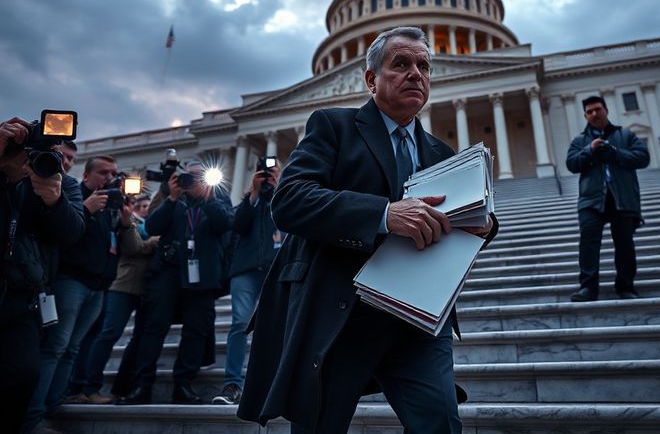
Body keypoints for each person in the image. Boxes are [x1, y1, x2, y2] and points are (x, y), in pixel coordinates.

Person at [237, 27, 498, 433]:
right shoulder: (333, 127)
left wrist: (484, 225)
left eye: (424, 66)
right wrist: (383, 215)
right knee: (320, 425)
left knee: (441, 422)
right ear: (371, 79)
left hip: (418, 318)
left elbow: (459, 223)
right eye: (402, 64)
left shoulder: (443, 155)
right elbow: (289, 200)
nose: (416, 73)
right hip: (344, 311)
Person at [25, 156, 139, 432]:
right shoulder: (75, 195)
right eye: (103, 172)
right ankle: (33, 415)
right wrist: (86, 209)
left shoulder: (114, 205)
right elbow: (64, 234)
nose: (110, 177)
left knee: (72, 348)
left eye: (114, 172)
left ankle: (54, 402)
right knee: (55, 346)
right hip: (71, 280)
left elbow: (128, 248)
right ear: (87, 176)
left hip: (99, 285)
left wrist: (125, 221)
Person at [116, 161, 233, 405]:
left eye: (199, 177)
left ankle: (184, 384)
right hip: (167, 271)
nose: (193, 182)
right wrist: (171, 197)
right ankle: (142, 385)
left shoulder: (218, 198)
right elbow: (153, 226)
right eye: (188, 177)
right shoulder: (174, 201)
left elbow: (224, 224)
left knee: (196, 330)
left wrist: (207, 198)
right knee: (153, 327)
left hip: (202, 274)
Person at [0, 118, 85, 434]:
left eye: (61, 158)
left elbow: (72, 232)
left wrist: (53, 198)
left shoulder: (63, 184)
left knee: (24, 374)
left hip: (23, 295)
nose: (51, 162)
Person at [565, 95, 650, 302]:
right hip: (591, 199)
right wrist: (589, 150)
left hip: (621, 197)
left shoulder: (625, 135)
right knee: (588, 244)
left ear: (606, 110)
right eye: (589, 111)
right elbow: (572, 164)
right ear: (585, 115)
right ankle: (588, 288)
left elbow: (643, 158)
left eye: (597, 109)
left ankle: (625, 286)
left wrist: (614, 152)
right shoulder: (580, 141)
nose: (594, 114)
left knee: (624, 244)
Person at [212, 163, 283, 405]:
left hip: (276, 269)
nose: (267, 177)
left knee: (275, 325)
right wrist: (252, 193)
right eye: (264, 174)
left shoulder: (284, 198)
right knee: (240, 322)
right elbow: (238, 225)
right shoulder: (247, 203)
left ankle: (273, 383)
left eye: (273, 173)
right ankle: (233, 383)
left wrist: (277, 189)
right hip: (245, 270)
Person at [79, 195, 159, 403]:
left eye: (146, 206)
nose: (143, 209)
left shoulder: (152, 224)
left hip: (146, 289)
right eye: (139, 206)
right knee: (109, 334)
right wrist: (152, 241)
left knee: (136, 339)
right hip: (122, 286)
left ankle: (121, 386)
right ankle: (89, 387)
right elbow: (133, 247)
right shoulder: (125, 223)